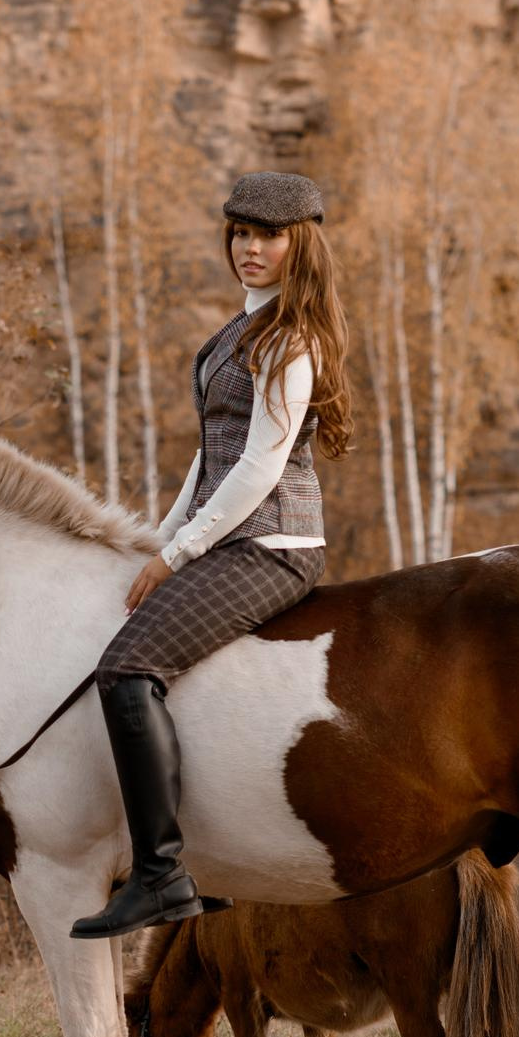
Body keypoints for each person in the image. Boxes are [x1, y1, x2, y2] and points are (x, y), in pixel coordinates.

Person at [71, 170, 354, 940]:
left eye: (268, 236)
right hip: (231, 536)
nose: (250, 248)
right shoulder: (238, 332)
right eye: (240, 233)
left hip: (272, 546)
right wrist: (158, 541)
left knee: (127, 669)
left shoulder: (290, 341)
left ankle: (160, 874)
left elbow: (259, 466)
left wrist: (180, 553)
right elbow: (210, 457)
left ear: (301, 246)